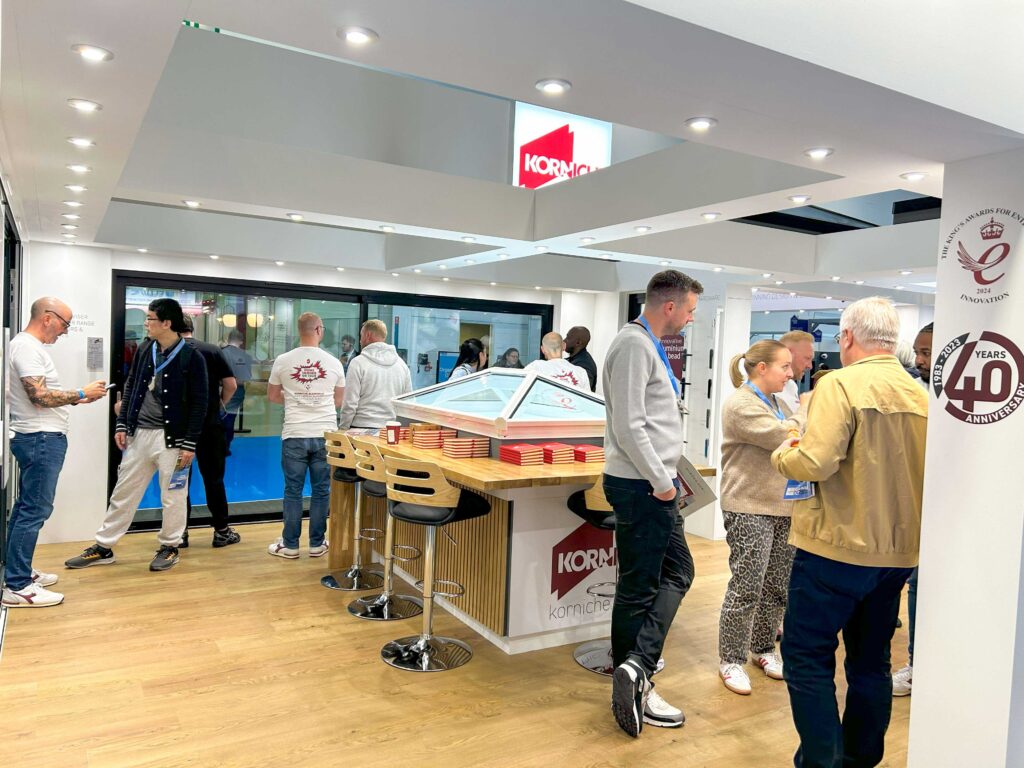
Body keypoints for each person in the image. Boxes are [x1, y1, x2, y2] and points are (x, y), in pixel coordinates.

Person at [771, 296, 927, 768]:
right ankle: (861, 758)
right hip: (897, 554)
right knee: (871, 660)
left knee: (806, 655)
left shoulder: (839, 384)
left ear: (847, 338)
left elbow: (813, 461)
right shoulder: (923, 396)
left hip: (834, 549)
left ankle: (822, 761)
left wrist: (785, 452)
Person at [603, 269, 703, 737]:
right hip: (643, 485)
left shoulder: (644, 345)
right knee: (641, 584)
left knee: (676, 571)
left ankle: (635, 668)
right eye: (689, 310)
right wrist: (663, 482)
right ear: (670, 306)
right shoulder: (634, 345)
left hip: (652, 483)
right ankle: (634, 676)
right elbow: (629, 425)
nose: (689, 319)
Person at [65, 298, 208, 573]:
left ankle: (170, 546)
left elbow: (201, 403)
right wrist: (122, 424)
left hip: (174, 441)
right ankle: (103, 547)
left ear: (167, 323)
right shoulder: (146, 349)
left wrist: (190, 443)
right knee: (124, 492)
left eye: (151, 318)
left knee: (174, 496)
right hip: (140, 435)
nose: (146, 323)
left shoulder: (192, 357)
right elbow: (131, 387)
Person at [1, 298, 107, 608]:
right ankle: (17, 586)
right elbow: (39, 396)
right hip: (40, 438)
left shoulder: (27, 347)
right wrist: (80, 393)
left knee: (26, 508)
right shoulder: (27, 347)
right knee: (34, 510)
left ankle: (18, 572)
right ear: (48, 318)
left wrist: (76, 400)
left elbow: (40, 395)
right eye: (64, 324)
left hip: (40, 437)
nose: (65, 331)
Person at [717, 340, 808, 695]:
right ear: (761, 368)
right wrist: (807, 410)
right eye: (784, 367)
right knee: (746, 587)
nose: (790, 373)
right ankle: (731, 659)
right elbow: (787, 437)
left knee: (776, 587)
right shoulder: (741, 404)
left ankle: (764, 648)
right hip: (748, 505)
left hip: (784, 505)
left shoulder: (777, 401)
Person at [266, 312, 345, 559]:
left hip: (295, 433)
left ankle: (290, 545)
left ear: (299, 330)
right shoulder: (333, 362)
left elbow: (272, 395)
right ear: (319, 330)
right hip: (325, 433)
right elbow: (338, 401)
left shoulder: (283, 360)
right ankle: (316, 544)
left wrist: (295, 401)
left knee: (293, 490)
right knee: (322, 490)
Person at [892, 321, 933, 697]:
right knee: (918, 585)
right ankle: (917, 663)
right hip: (921, 508)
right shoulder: (915, 392)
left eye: (926, 353)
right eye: (918, 352)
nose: (919, 360)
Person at [180, 317, 240, 549]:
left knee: (178, 481)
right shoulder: (212, 350)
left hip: (179, 427)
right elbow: (231, 384)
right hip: (209, 424)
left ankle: (180, 533)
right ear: (192, 328)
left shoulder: (168, 352)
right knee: (214, 479)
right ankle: (221, 531)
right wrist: (219, 405)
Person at [338, 319, 413, 430]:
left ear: (368, 335)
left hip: (360, 429)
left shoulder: (358, 363)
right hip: (389, 431)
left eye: (361, 336)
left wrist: (343, 428)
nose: (360, 341)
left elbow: (350, 402)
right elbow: (408, 401)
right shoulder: (401, 365)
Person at [219, 329, 253, 452]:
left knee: (219, 417)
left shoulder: (220, 353)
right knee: (230, 418)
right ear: (241, 341)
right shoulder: (246, 356)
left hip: (219, 390)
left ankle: (218, 445)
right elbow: (245, 379)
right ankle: (226, 445)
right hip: (237, 393)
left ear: (228, 339)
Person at [525, 332, 591, 390]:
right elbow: (588, 401)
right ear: (564, 346)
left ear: (542, 349)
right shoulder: (581, 372)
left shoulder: (535, 367)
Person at [776, 330, 815, 413]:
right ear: (788, 353)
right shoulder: (762, 390)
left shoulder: (791, 386)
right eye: (807, 358)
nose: (810, 366)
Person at [565, 326, 598, 393]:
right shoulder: (572, 359)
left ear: (578, 343)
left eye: (568, 338)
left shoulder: (584, 364)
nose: (564, 340)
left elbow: (580, 392)